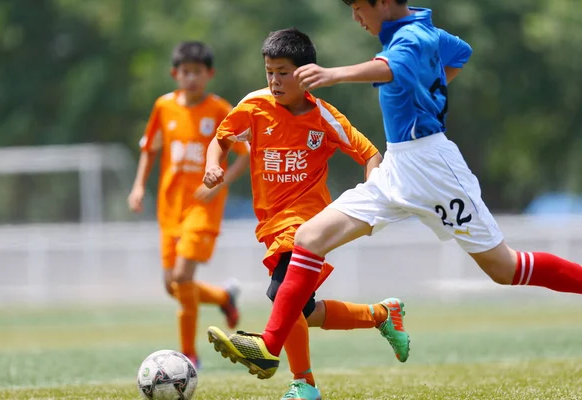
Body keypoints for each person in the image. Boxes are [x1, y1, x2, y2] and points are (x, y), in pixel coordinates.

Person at [203, 0, 582, 382]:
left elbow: (389, 68)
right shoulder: (424, 30)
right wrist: (427, 91)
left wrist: (333, 74)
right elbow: (461, 52)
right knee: (309, 237)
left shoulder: (411, 37)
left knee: (504, 268)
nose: (356, 18)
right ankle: (270, 347)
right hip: (398, 165)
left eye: (359, 8)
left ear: (383, 3)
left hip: (434, 168)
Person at [203, 28, 409, 400]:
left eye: (283, 72)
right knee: (302, 308)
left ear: (305, 73)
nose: (274, 80)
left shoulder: (324, 118)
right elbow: (221, 138)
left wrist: (373, 197)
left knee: (281, 293)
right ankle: (381, 314)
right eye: (269, 71)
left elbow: (370, 154)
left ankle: (303, 383)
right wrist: (212, 166)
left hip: (306, 221)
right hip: (269, 221)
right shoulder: (253, 105)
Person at [127, 41, 250, 368]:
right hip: (170, 208)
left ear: (209, 74)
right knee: (172, 286)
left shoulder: (220, 110)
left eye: (198, 72)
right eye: (186, 72)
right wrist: (139, 186)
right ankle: (224, 298)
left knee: (182, 276)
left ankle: (189, 355)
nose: (191, 78)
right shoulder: (164, 106)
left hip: (203, 206)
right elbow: (149, 149)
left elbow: (246, 154)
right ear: (175, 74)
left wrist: (219, 182)